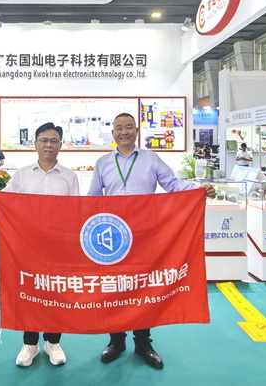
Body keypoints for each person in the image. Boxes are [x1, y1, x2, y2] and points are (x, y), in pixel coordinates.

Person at [88, 113, 216, 370]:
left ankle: (143, 344)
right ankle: (116, 341)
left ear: (136, 131)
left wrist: (198, 189)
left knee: (143, 288)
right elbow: (92, 199)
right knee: (115, 288)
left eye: (129, 127)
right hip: (114, 238)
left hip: (145, 235)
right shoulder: (102, 163)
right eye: (119, 128)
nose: (124, 132)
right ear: (113, 133)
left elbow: (172, 185)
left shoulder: (151, 159)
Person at [0, 122, 79, 368]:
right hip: (27, 246)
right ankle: (30, 344)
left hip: (58, 246)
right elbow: (6, 200)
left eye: (54, 141)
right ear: (35, 144)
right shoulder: (23, 175)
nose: (48, 145)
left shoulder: (69, 177)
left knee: (56, 292)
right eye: (44, 140)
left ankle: (53, 342)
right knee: (30, 292)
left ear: (60, 145)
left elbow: (76, 212)